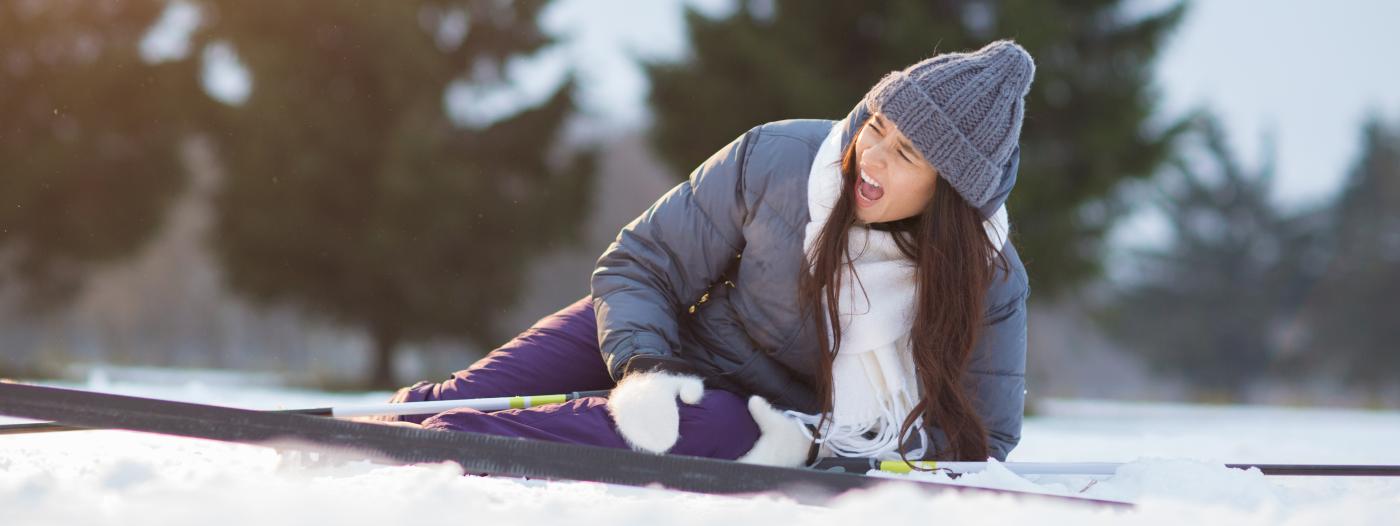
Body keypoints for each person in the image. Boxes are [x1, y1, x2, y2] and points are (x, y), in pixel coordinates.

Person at [379, 40, 1035, 468]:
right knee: (465, 396)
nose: (873, 156)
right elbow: (642, 262)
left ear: (951, 192)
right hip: (666, 334)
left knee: (653, 429)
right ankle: (378, 430)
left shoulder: (990, 281)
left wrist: (813, 451)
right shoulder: (782, 161)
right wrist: (645, 365)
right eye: (877, 128)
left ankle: (424, 451)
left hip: (761, 418)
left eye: (907, 154)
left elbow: (982, 440)